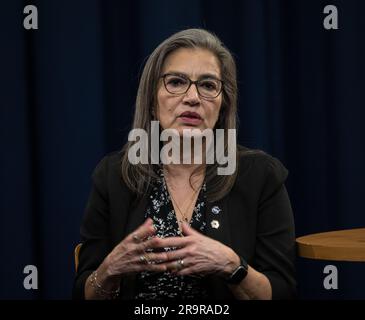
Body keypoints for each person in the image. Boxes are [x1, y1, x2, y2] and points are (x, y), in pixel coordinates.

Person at [72, 28, 296, 300]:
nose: (192, 97)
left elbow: (282, 292)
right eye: (176, 82)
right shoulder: (114, 175)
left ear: (222, 106)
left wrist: (232, 266)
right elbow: (83, 292)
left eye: (208, 85)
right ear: (152, 101)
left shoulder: (261, 176)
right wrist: (109, 270)